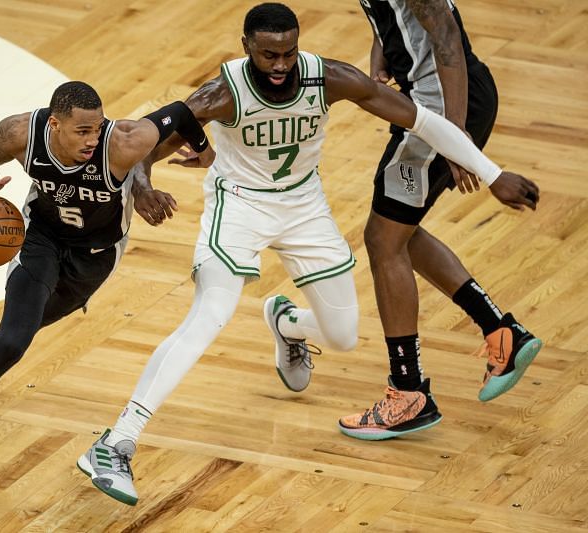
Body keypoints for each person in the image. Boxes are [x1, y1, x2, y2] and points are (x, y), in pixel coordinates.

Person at [77, 2, 539, 506]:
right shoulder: (222, 92)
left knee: (342, 336)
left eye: (288, 53)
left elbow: (423, 121)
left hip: (304, 210)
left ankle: (288, 324)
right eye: (268, 55)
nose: (279, 66)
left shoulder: (330, 79)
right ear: (246, 48)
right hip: (240, 207)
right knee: (210, 314)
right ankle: (116, 442)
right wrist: (143, 186)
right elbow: (145, 143)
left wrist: (493, 174)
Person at [0, 80, 214, 504]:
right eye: (82, 131)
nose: (92, 138)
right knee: (13, 343)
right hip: (39, 240)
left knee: (18, 332)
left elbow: (183, 111)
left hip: (95, 256)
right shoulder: (22, 132)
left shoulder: (121, 139)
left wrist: (185, 163)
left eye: (97, 128)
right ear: (56, 123)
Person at [336, 0, 543, 441]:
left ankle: (408, 392)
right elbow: (393, 13)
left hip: (442, 109)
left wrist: (457, 135)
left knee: (383, 241)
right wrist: (383, 49)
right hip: (428, 103)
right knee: (396, 233)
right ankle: (502, 332)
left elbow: (445, 34)